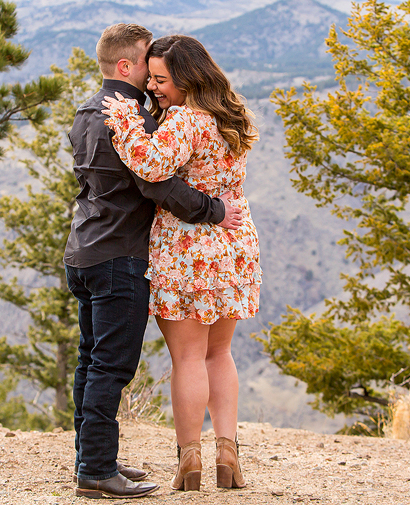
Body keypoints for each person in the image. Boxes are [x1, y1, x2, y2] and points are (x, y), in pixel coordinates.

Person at [65, 23, 243, 499]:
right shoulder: (132, 119)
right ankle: (96, 469)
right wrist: (216, 210)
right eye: (149, 65)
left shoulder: (87, 111)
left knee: (91, 362)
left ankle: (93, 458)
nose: (152, 78)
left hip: (84, 249)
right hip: (120, 255)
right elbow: (157, 183)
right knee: (111, 368)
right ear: (128, 65)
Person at [101, 34, 260, 492]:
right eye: (150, 78)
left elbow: (151, 165)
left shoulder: (187, 120)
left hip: (187, 249)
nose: (152, 87)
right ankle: (228, 456)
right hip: (234, 244)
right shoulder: (230, 115)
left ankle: (189, 460)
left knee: (188, 356)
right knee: (220, 353)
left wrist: (125, 120)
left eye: (161, 79)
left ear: (187, 78)